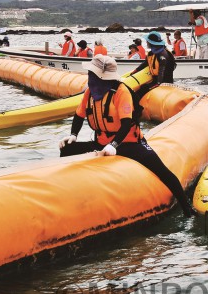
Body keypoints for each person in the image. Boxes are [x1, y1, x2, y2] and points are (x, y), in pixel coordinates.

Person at [58, 54, 193, 217]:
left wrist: (113, 145)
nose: (90, 78)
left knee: (163, 172)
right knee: (66, 148)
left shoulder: (121, 92)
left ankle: (187, 208)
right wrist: (73, 135)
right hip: (101, 143)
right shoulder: (90, 93)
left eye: (92, 75)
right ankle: (65, 192)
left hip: (129, 144)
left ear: (102, 77)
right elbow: (79, 115)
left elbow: (126, 123)